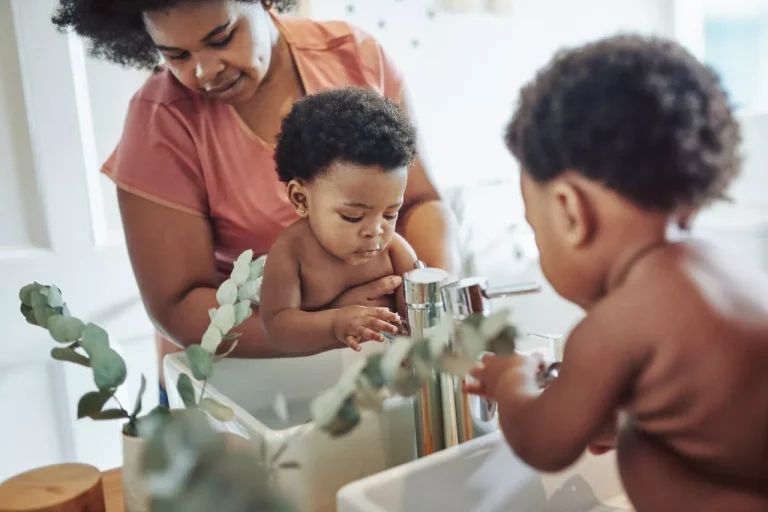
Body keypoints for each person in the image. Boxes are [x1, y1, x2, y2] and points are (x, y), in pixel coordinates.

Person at [51, 0, 459, 404]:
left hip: (376, 352)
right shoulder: (161, 120)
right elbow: (179, 304)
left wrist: (428, 306)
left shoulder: (354, 56)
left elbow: (421, 203)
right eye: (176, 54)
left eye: (223, 38)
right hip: (240, 383)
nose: (204, 71)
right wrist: (325, 323)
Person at [467, 35, 768, 510]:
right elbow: (710, 428)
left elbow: (544, 443)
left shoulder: (615, 326)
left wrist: (511, 384)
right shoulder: (728, 272)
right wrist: (628, 417)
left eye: (534, 225)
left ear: (569, 211)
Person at [260, 87, 418, 352]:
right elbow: (276, 327)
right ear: (301, 199)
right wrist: (336, 322)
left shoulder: (395, 252)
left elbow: (419, 316)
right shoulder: (292, 252)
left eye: (391, 213)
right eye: (353, 216)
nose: (376, 230)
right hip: (314, 375)